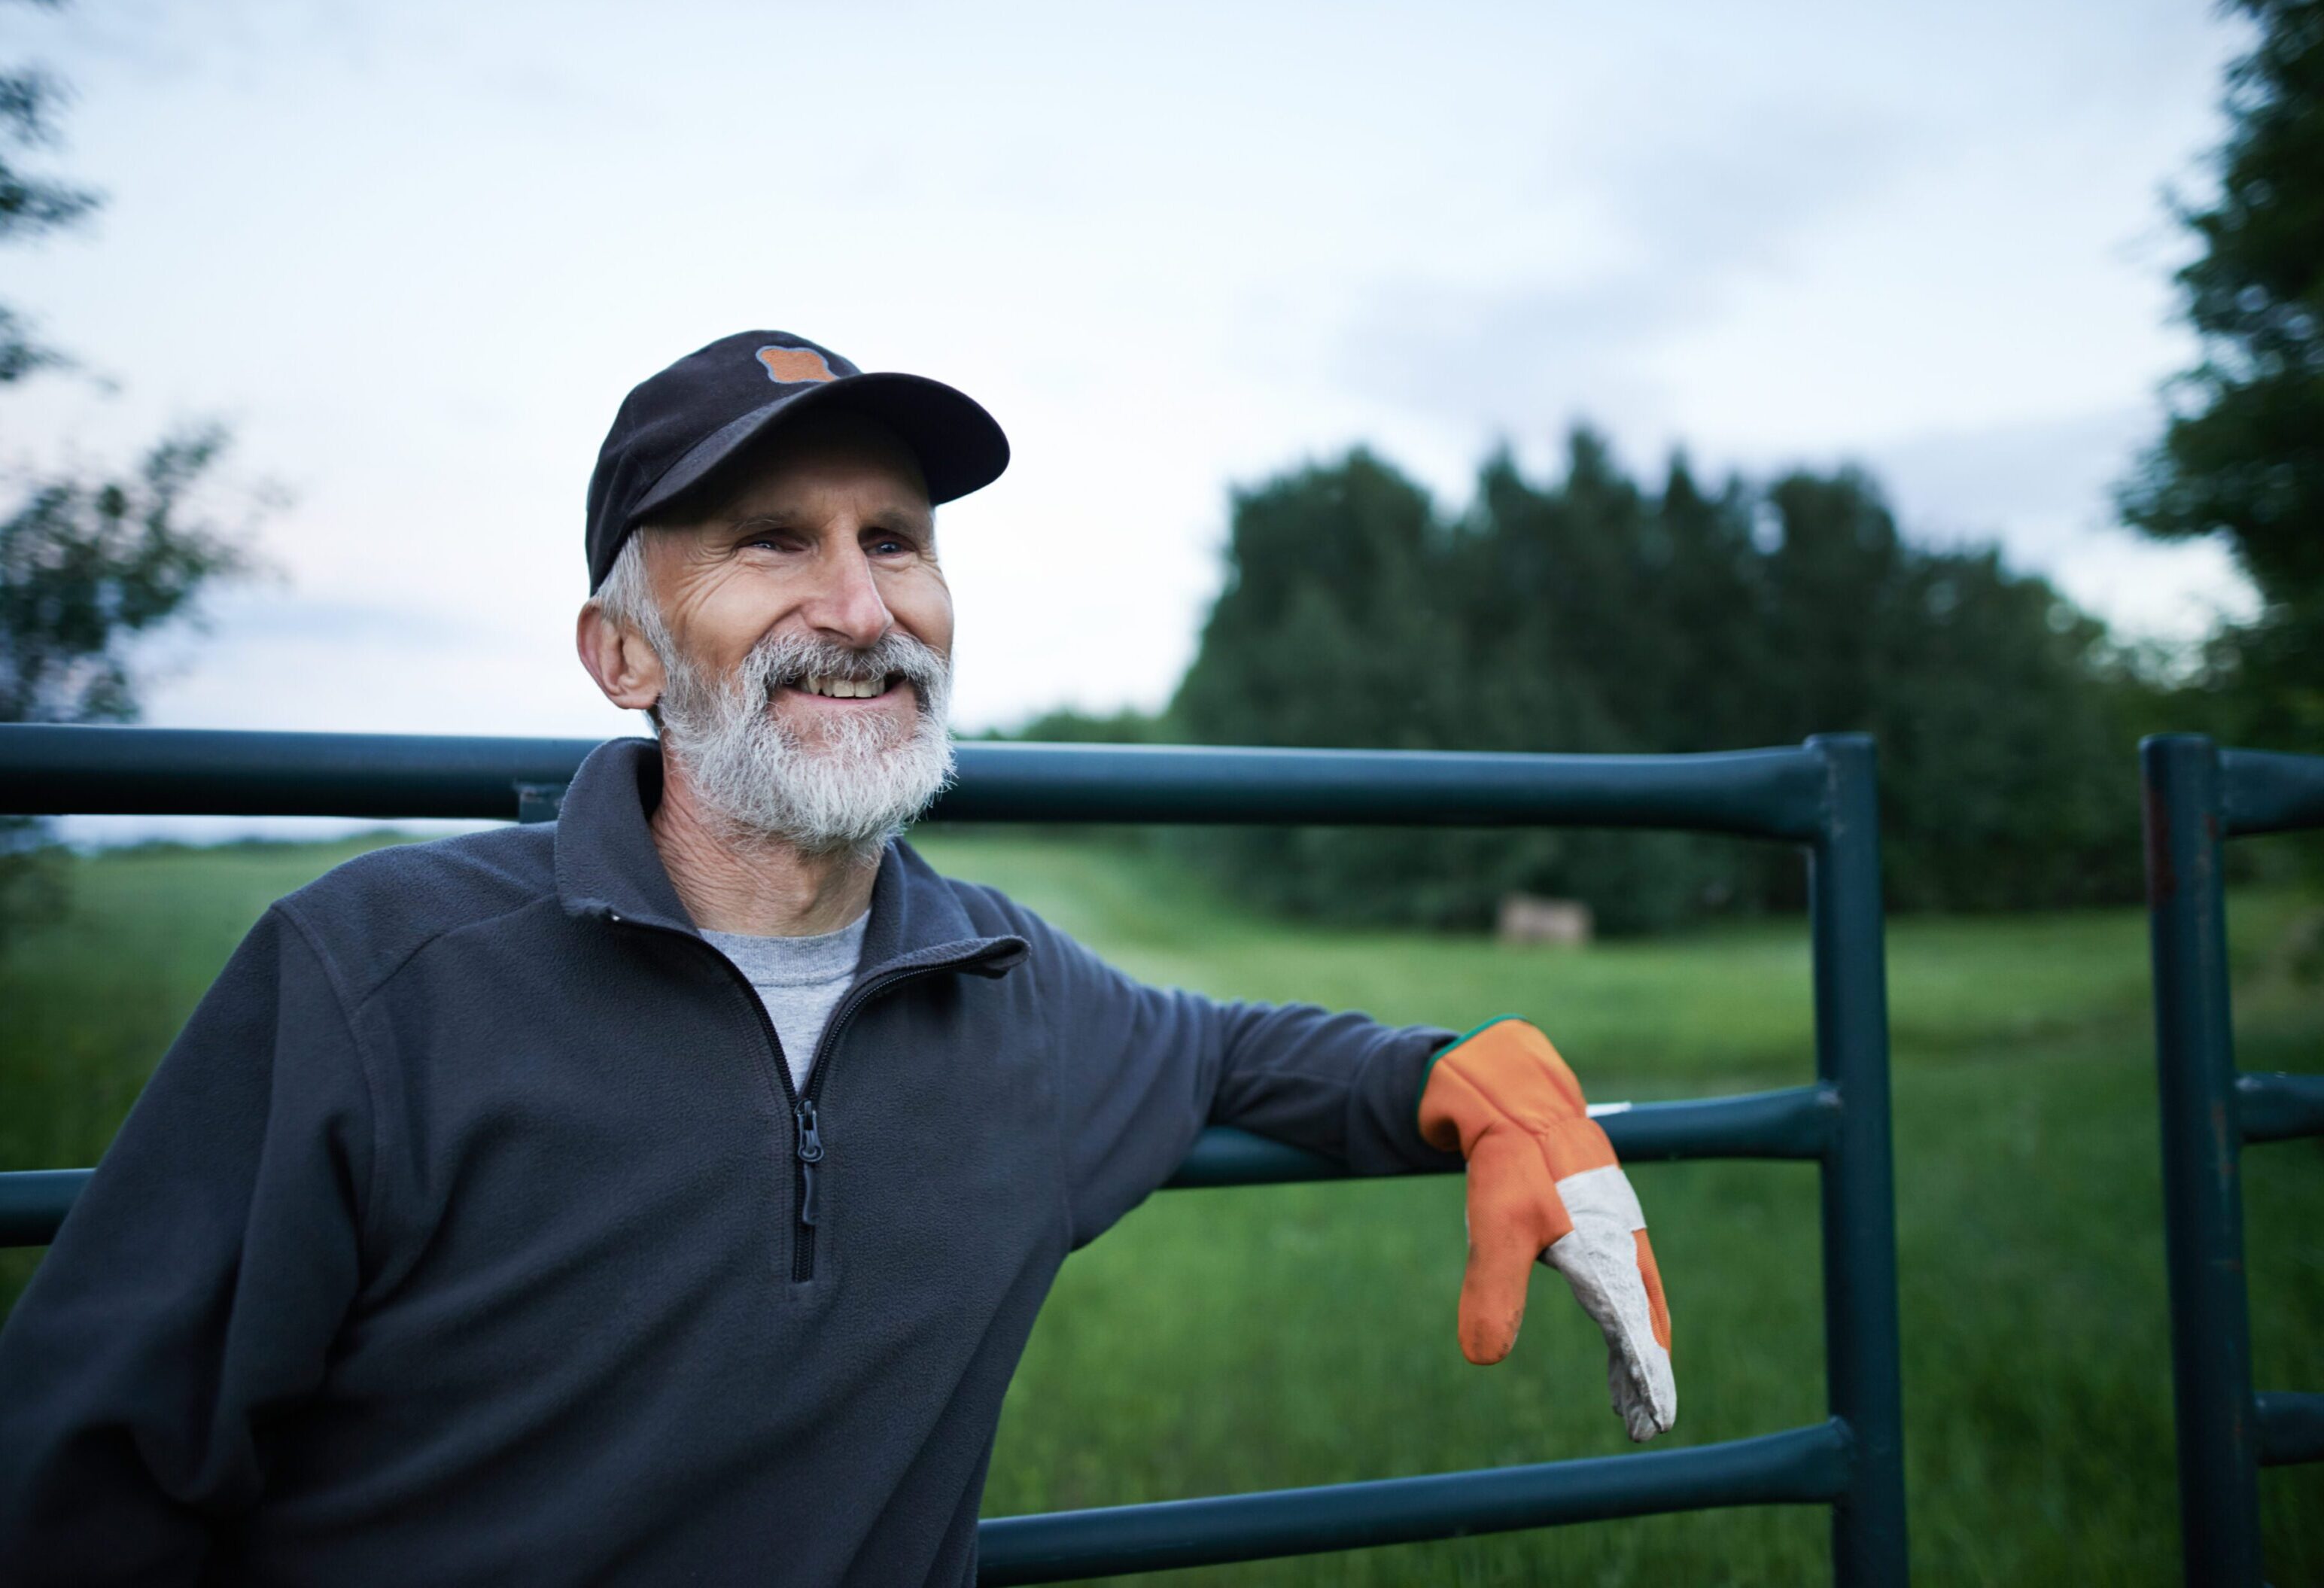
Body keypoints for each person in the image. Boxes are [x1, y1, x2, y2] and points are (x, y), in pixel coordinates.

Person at [0, 330, 1675, 1586]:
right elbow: (79, 1478)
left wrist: (1469, 1085)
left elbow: (1231, 1053)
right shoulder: (372, 978)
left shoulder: (1007, 989)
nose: (860, 605)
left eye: (896, 538)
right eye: (766, 539)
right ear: (620, 652)